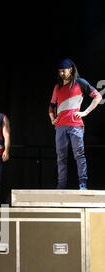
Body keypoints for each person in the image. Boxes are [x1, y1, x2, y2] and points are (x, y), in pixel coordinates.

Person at [49, 59, 102, 190]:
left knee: (79, 154)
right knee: (61, 157)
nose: (61, 73)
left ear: (71, 69)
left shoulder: (80, 83)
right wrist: (52, 118)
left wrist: (85, 112)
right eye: (59, 71)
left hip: (75, 125)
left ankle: (82, 184)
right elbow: (51, 106)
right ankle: (61, 185)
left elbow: (98, 97)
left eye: (64, 70)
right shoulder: (58, 87)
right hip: (60, 126)